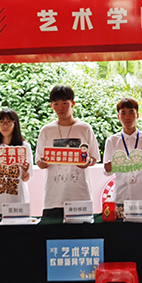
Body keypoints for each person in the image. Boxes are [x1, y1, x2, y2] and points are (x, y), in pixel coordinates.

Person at [35, 85, 100, 218]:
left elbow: (94, 158)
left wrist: (87, 162)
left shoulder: (85, 128)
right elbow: (39, 161)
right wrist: (42, 163)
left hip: (80, 196)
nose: (60, 107)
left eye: (65, 103)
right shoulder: (46, 130)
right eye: (56, 104)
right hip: (53, 198)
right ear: (52, 106)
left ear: (72, 104)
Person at [103, 98, 142, 204]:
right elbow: (106, 172)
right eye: (123, 113)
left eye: (131, 112)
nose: (127, 117)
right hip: (119, 198)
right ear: (118, 117)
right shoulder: (112, 141)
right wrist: (108, 168)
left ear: (137, 115)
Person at [0, 109, 33, 217]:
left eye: (9, 122)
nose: (5, 125)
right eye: (1, 122)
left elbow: (26, 178)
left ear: (15, 124)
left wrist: (25, 171)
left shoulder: (24, 147)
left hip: (18, 202)